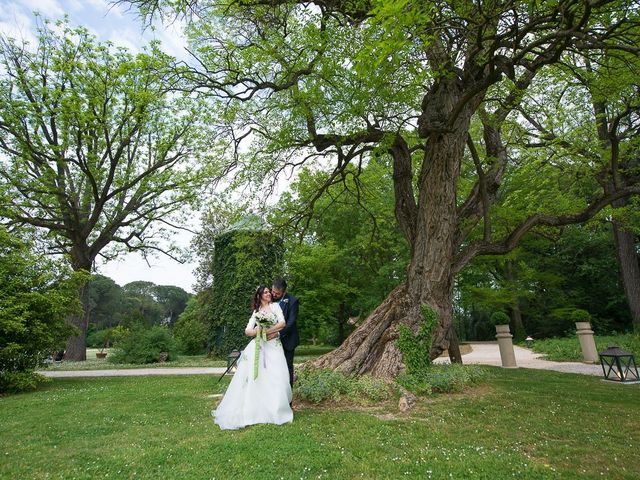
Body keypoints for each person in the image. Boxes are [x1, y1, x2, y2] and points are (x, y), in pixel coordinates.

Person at [212, 285, 293, 430]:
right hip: (259, 347)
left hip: (273, 346)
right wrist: (258, 331)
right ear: (260, 296)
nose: (269, 294)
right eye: (266, 292)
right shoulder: (256, 312)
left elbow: (282, 323)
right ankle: (256, 410)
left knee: (276, 377)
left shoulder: (275, 307)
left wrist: (268, 331)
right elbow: (247, 330)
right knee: (258, 379)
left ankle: (276, 410)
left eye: (269, 292)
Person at [270, 278, 299, 387]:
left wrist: (278, 334)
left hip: (287, 341)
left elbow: (291, 322)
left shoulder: (293, 301)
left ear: (284, 292)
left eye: (277, 293)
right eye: (273, 291)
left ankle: (288, 400)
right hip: (270, 343)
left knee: (287, 370)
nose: (274, 294)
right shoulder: (269, 298)